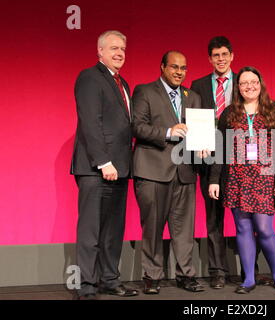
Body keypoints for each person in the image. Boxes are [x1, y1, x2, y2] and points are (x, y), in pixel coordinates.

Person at [209, 66, 275, 294]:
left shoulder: (274, 110)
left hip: (265, 178)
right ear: (238, 87)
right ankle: (248, 279)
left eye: (253, 81)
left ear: (260, 83)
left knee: (264, 229)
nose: (249, 86)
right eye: (244, 83)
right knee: (242, 228)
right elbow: (221, 147)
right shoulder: (229, 113)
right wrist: (214, 179)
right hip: (236, 177)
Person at [70, 30, 138, 299]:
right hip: (96, 168)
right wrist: (104, 162)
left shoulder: (124, 84)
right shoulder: (89, 77)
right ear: (100, 51)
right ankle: (86, 286)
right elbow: (90, 122)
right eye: (113, 48)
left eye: (122, 48)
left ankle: (109, 279)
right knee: (91, 230)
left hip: (120, 168)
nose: (119, 53)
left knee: (113, 230)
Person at [132, 51, 204, 294]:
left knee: (185, 229)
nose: (179, 72)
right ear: (162, 67)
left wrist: (204, 147)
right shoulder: (145, 91)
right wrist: (167, 132)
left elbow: (198, 133)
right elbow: (138, 126)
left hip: (184, 171)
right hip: (153, 170)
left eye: (183, 68)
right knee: (152, 226)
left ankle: (186, 274)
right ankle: (152, 275)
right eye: (174, 67)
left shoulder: (192, 96)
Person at [190, 36, 236, 289]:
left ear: (232, 56)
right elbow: (194, 120)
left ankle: (249, 268)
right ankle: (218, 270)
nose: (221, 59)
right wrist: (198, 146)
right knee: (213, 218)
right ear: (210, 59)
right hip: (209, 161)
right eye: (216, 55)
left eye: (224, 54)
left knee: (245, 217)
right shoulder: (197, 86)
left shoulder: (245, 82)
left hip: (239, 160)